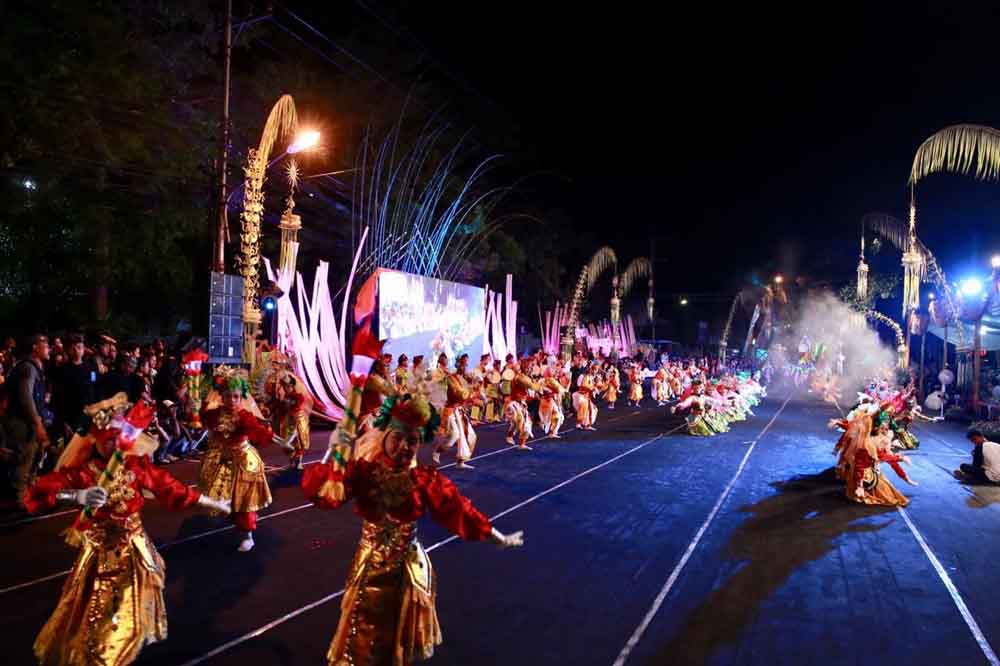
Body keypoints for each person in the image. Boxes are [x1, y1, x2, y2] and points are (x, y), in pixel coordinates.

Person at [302, 392, 524, 666]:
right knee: (364, 633)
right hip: (370, 568)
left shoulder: (423, 480)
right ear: (384, 437)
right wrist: (335, 458)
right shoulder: (362, 473)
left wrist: (497, 537)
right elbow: (325, 497)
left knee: (400, 636)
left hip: (408, 571)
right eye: (398, 438)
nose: (404, 446)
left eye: (413, 441)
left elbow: (457, 510)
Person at [23, 393, 230, 665]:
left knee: (129, 612)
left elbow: (169, 487)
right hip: (100, 555)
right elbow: (37, 495)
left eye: (116, 437)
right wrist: (77, 496)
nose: (112, 444)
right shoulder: (83, 472)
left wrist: (212, 502)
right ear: (94, 440)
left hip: (134, 550)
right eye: (106, 439)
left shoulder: (134, 466)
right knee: (94, 614)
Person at [198, 367, 275, 552]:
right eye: (228, 396)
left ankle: (248, 536)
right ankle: (237, 522)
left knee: (245, 501)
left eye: (236, 397)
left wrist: (269, 434)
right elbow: (203, 416)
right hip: (222, 461)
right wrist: (200, 402)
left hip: (243, 461)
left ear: (241, 398)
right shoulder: (216, 413)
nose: (232, 400)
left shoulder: (244, 416)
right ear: (221, 397)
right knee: (227, 500)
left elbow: (258, 432)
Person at [2, 334, 51, 507]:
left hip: (29, 421)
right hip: (22, 423)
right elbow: (26, 398)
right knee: (24, 458)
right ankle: (20, 499)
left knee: (33, 457)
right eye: (45, 344)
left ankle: (27, 494)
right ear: (35, 347)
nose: (49, 348)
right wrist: (37, 423)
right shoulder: (28, 368)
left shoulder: (34, 367)